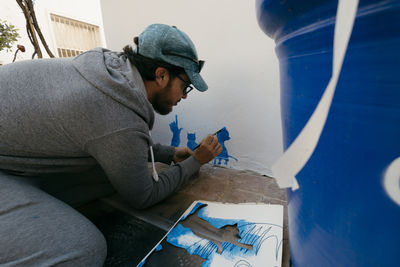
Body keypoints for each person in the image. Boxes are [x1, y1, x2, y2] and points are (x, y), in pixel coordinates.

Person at [0, 23, 222, 266]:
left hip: (12, 153)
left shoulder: (112, 73)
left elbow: (116, 143)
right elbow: (143, 196)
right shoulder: (117, 113)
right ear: (161, 75)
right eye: (185, 85)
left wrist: (168, 154)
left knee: (110, 177)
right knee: (84, 249)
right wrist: (195, 162)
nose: (185, 95)